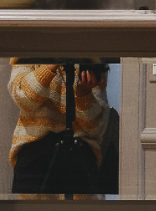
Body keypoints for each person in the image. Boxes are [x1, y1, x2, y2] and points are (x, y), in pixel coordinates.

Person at [7, 59, 119, 197]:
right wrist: (51, 65)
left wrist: (83, 93)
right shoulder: (30, 50)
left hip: (79, 157)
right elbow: (24, 99)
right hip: (35, 154)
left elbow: (96, 128)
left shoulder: (90, 57)